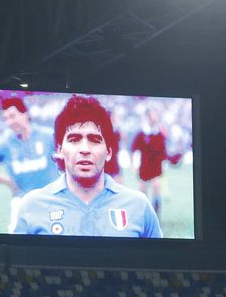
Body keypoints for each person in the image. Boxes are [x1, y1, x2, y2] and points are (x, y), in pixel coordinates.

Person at [13, 95, 161, 238]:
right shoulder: (32, 206)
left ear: (109, 152)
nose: (85, 149)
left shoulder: (139, 206)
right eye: (74, 139)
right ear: (59, 150)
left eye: (95, 140)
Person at [0, 96, 59, 233]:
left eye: (13, 116)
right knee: (16, 242)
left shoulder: (49, 137)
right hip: (23, 203)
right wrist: (7, 181)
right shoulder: (5, 143)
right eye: (6, 119)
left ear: (25, 114)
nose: (10, 122)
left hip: (51, 201)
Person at [130, 108, 184, 220]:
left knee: (156, 188)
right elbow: (134, 149)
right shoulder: (142, 133)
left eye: (155, 116)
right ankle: (142, 216)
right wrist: (134, 163)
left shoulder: (159, 133)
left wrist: (165, 163)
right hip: (145, 166)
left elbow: (163, 151)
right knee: (142, 191)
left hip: (156, 166)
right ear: (148, 118)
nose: (154, 118)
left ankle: (155, 217)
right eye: (153, 116)